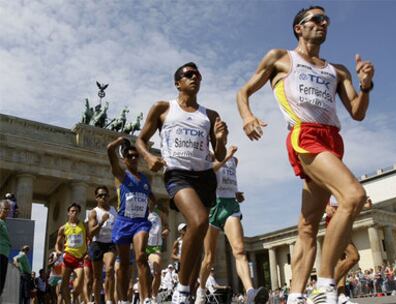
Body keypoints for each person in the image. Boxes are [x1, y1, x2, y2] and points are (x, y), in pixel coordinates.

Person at [236, 5, 374, 304]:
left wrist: (366, 86)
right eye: (316, 19)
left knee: (308, 224)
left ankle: (296, 295)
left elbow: (357, 112)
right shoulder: (281, 58)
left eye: (326, 19)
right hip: (305, 134)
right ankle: (324, 287)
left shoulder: (337, 70)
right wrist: (247, 116)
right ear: (299, 27)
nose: (324, 23)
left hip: (333, 139)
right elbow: (243, 91)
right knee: (353, 196)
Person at [136, 62, 228, 304]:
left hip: (205, 178)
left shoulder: (210, 115)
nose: (194, 77)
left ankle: (187, 291)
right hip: (178, 175)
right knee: (198, 222)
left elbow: (219, 155)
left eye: (198, 75)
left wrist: (220, 139)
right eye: (189, 74)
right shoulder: (163, 108)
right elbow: (140, 140)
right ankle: (183, 289)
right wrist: (148, 156)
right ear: (178, 82)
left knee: (197, 238)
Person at [196, 145, 268, 304]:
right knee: (209, 257)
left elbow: (226, 178)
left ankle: (250, 292)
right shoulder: (206, 154)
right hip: (212, 205)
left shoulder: (234, 160)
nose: (222, 138)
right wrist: (227, 156)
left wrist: (236, 193)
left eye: (224, 134)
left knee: (240, 250)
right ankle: (200, 290)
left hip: (230, 205)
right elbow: (211, 172)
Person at [107, 137, 154, 304]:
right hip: (123, 222)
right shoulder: (121, 175)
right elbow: (109, 150)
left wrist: (152, 206)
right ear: (124, 159)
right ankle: (123, 300)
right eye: (130, 156)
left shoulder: (146, 179)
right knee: (125, 264)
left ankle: (147, 298)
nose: (134, 158)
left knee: (141, 256)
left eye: (136, 156)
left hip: (140, 223)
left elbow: (151, 196)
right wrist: (118, 141)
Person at [326, 198, 372, 304]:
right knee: (354, 256)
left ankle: (340, 297)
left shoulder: (343, 193)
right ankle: (324, 288)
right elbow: (329, 211)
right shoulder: (331, 192)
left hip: (344, 230)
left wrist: (364, 206)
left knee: (342, 266)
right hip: (336, 230)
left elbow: (351, 207)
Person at [88, 185, 117, 304]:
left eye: (105, 194)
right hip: (97, 244)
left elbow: (119, 227)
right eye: (100, 195)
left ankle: (109, 299)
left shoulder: (114, 210)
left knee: (110, 269)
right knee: (97, 277)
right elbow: (91, 233)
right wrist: (102, 221)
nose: (103, 197)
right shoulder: (93, 212)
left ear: (109, 196)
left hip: (110, 244)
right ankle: (97, 301)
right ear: (96, 198)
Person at [55, 203, 87, 304]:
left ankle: (74, 296)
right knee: (64, 286)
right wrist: (58, 251)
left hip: (80, 258)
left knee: (78, 286)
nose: (74, 213)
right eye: (72, 211)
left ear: (79, 213)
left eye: (76, 211)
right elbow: (57, 243)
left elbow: (90, 237)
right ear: (68, 213)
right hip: (68, 257)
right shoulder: (63, 228)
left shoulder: (84, 225)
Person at [146, 202, 170, 303]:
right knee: (144, 274)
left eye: (151, 201)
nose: (149, 203)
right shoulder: (139, 214)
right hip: (142, 247)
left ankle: (154, 297)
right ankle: (145, 298)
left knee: (157, 272)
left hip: (154, 247)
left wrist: (166, 231)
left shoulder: (158, 214)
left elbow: (167, 227)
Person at [0, 200, 11, 298]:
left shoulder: (4, 222)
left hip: (4, 255)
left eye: (9, 209)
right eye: (5, 209)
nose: (7, 211)